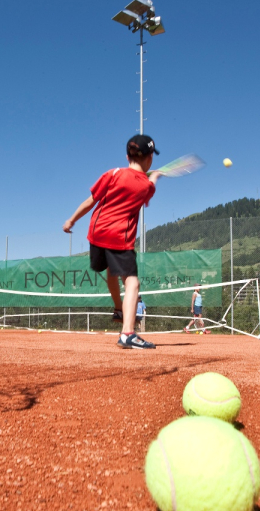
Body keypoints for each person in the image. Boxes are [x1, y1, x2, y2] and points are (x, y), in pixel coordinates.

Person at [63, 134, 162, 349]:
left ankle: (118, 307)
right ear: (150, 158)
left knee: (111, 270)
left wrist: (71, 220)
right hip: (119, 237)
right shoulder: (146, 186)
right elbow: (148, 191)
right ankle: (127, 333)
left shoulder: (113, 173)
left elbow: (91, 201)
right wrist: (155, 177)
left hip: (96, 234)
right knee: (132, 282)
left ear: (127, 156)